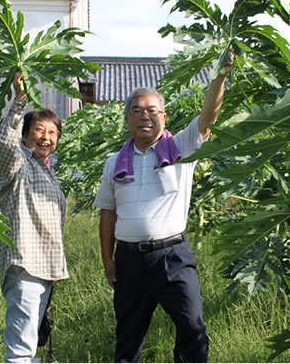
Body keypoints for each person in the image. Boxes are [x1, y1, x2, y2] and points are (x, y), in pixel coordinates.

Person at [93, 60, 233, 362]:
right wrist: (108, 260)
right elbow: (107, 212)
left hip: (173, 257)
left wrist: (220, 77)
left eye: (152, 110)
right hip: (129, 261)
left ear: (164, 117)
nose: (145, 116)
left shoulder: (182, 147)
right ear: (127, 119)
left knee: (193, 328)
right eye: (137, 110)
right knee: (128, 337)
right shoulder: (114, 162)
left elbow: (208, 116)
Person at [0, 71, 69, 363]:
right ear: (25, 136)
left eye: (53, 132)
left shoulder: (48, 171)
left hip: (45, 267)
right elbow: (5, 144)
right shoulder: (18, 165)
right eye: (39, 130)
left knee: (31, 344)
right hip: (25, 264)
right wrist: (19, 101)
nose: (46, 137)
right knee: (21, 350)